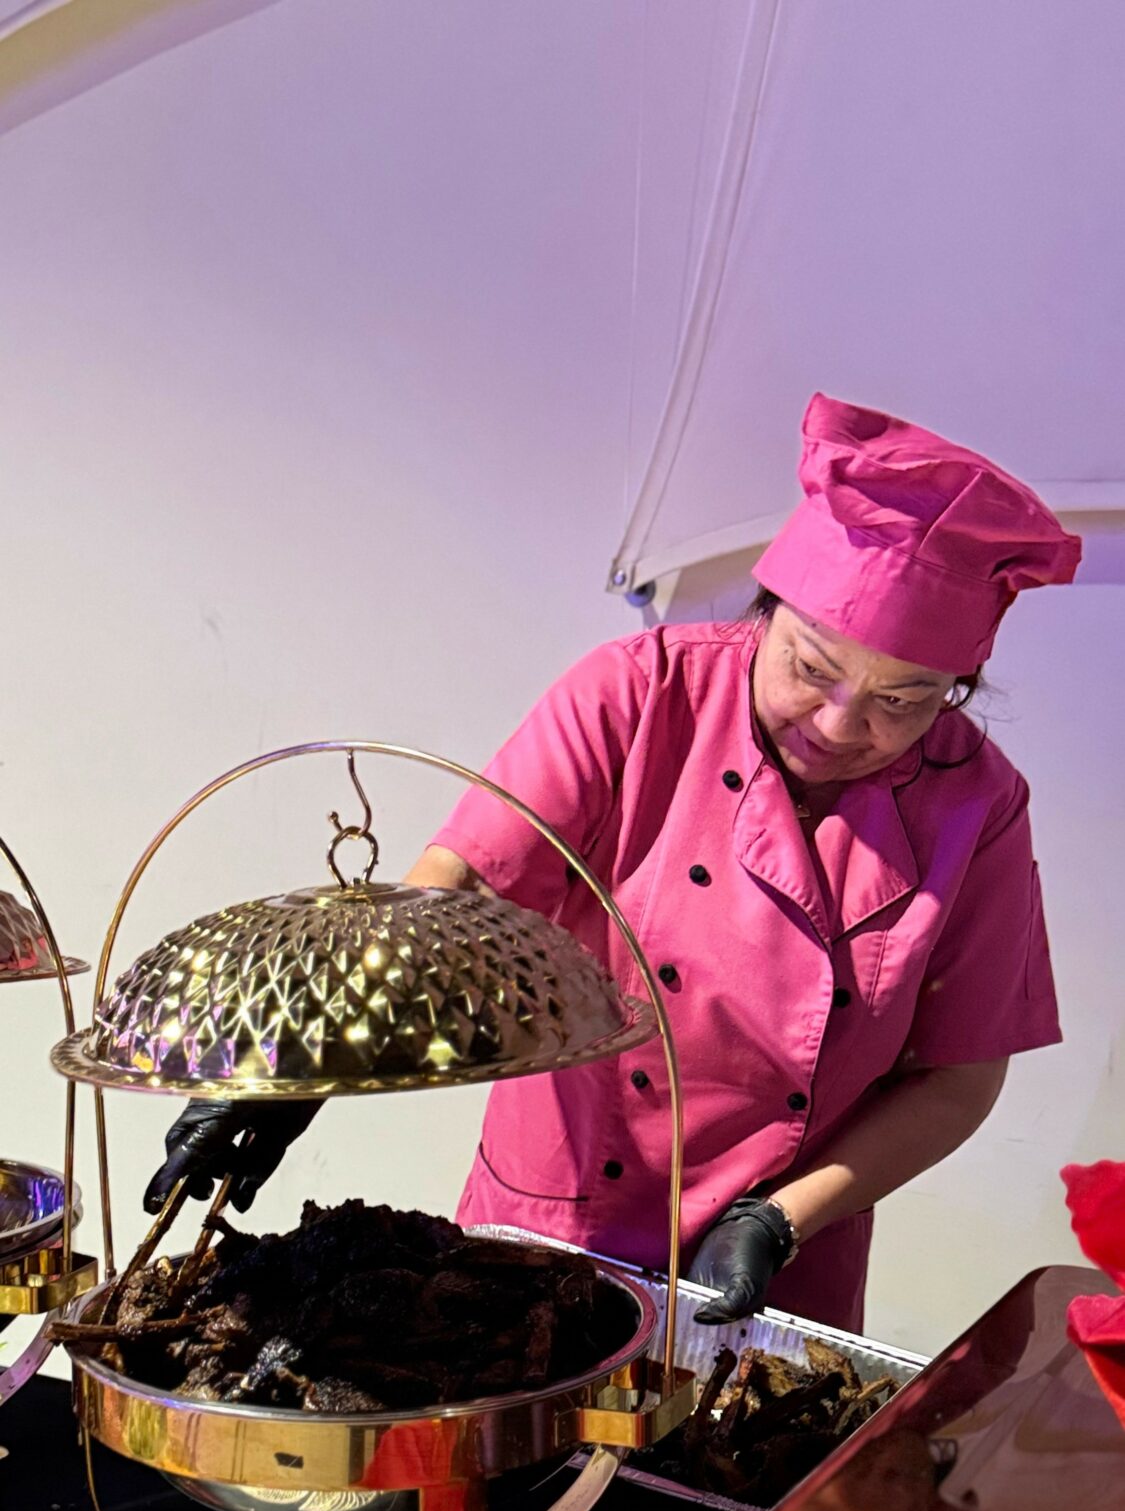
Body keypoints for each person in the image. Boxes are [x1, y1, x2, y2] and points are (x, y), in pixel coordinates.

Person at [146, 395, 1080, 1333]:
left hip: (783, 1253)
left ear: (954, 689)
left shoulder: (978, 805)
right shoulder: (636, 695)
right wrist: (296, 1066)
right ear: (766, 612)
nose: (841, 724)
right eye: (810, 668)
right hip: (559, 1214)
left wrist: (777, 1220)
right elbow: (455, 894)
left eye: (902, 700)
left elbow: (957, 1078)